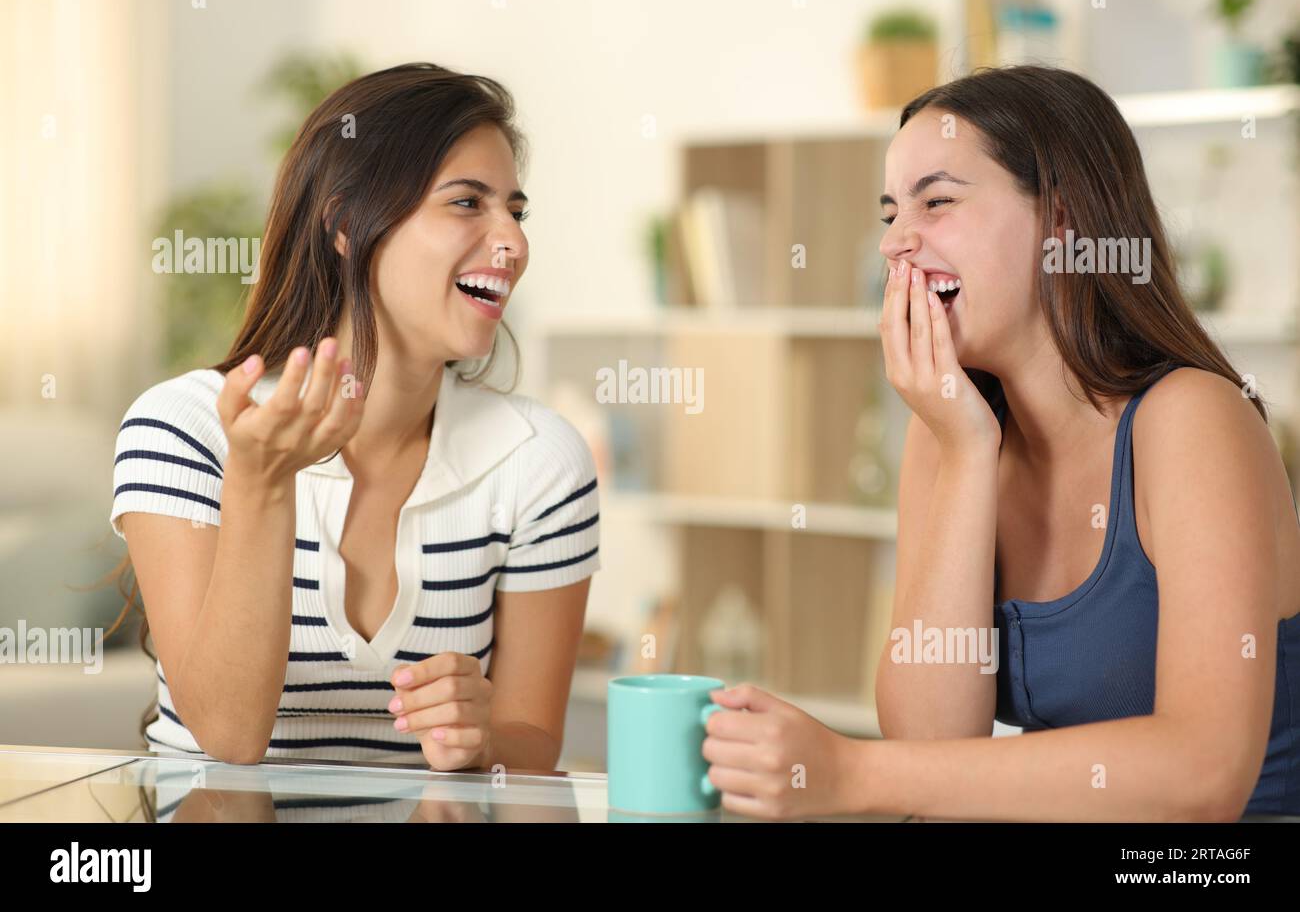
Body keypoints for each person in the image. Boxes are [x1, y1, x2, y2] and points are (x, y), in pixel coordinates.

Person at [701, 65, 1300, 821]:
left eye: (937, 202)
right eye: (890, 212)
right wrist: (963, 453)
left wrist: (852, 773)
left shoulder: (1192, 419)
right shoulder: (953, 432)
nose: (894, 243)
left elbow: (1205, 775)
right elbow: (932, 740)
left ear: (1062, 223)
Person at [109, 63, 600, 780]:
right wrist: (261, 483)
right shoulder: (184, 430)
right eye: (468, 203)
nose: (513, 245)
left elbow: (531, 739)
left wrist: (485, 738)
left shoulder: (540, 461)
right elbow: (229, 734)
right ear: (345, 224)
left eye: (515, 212)